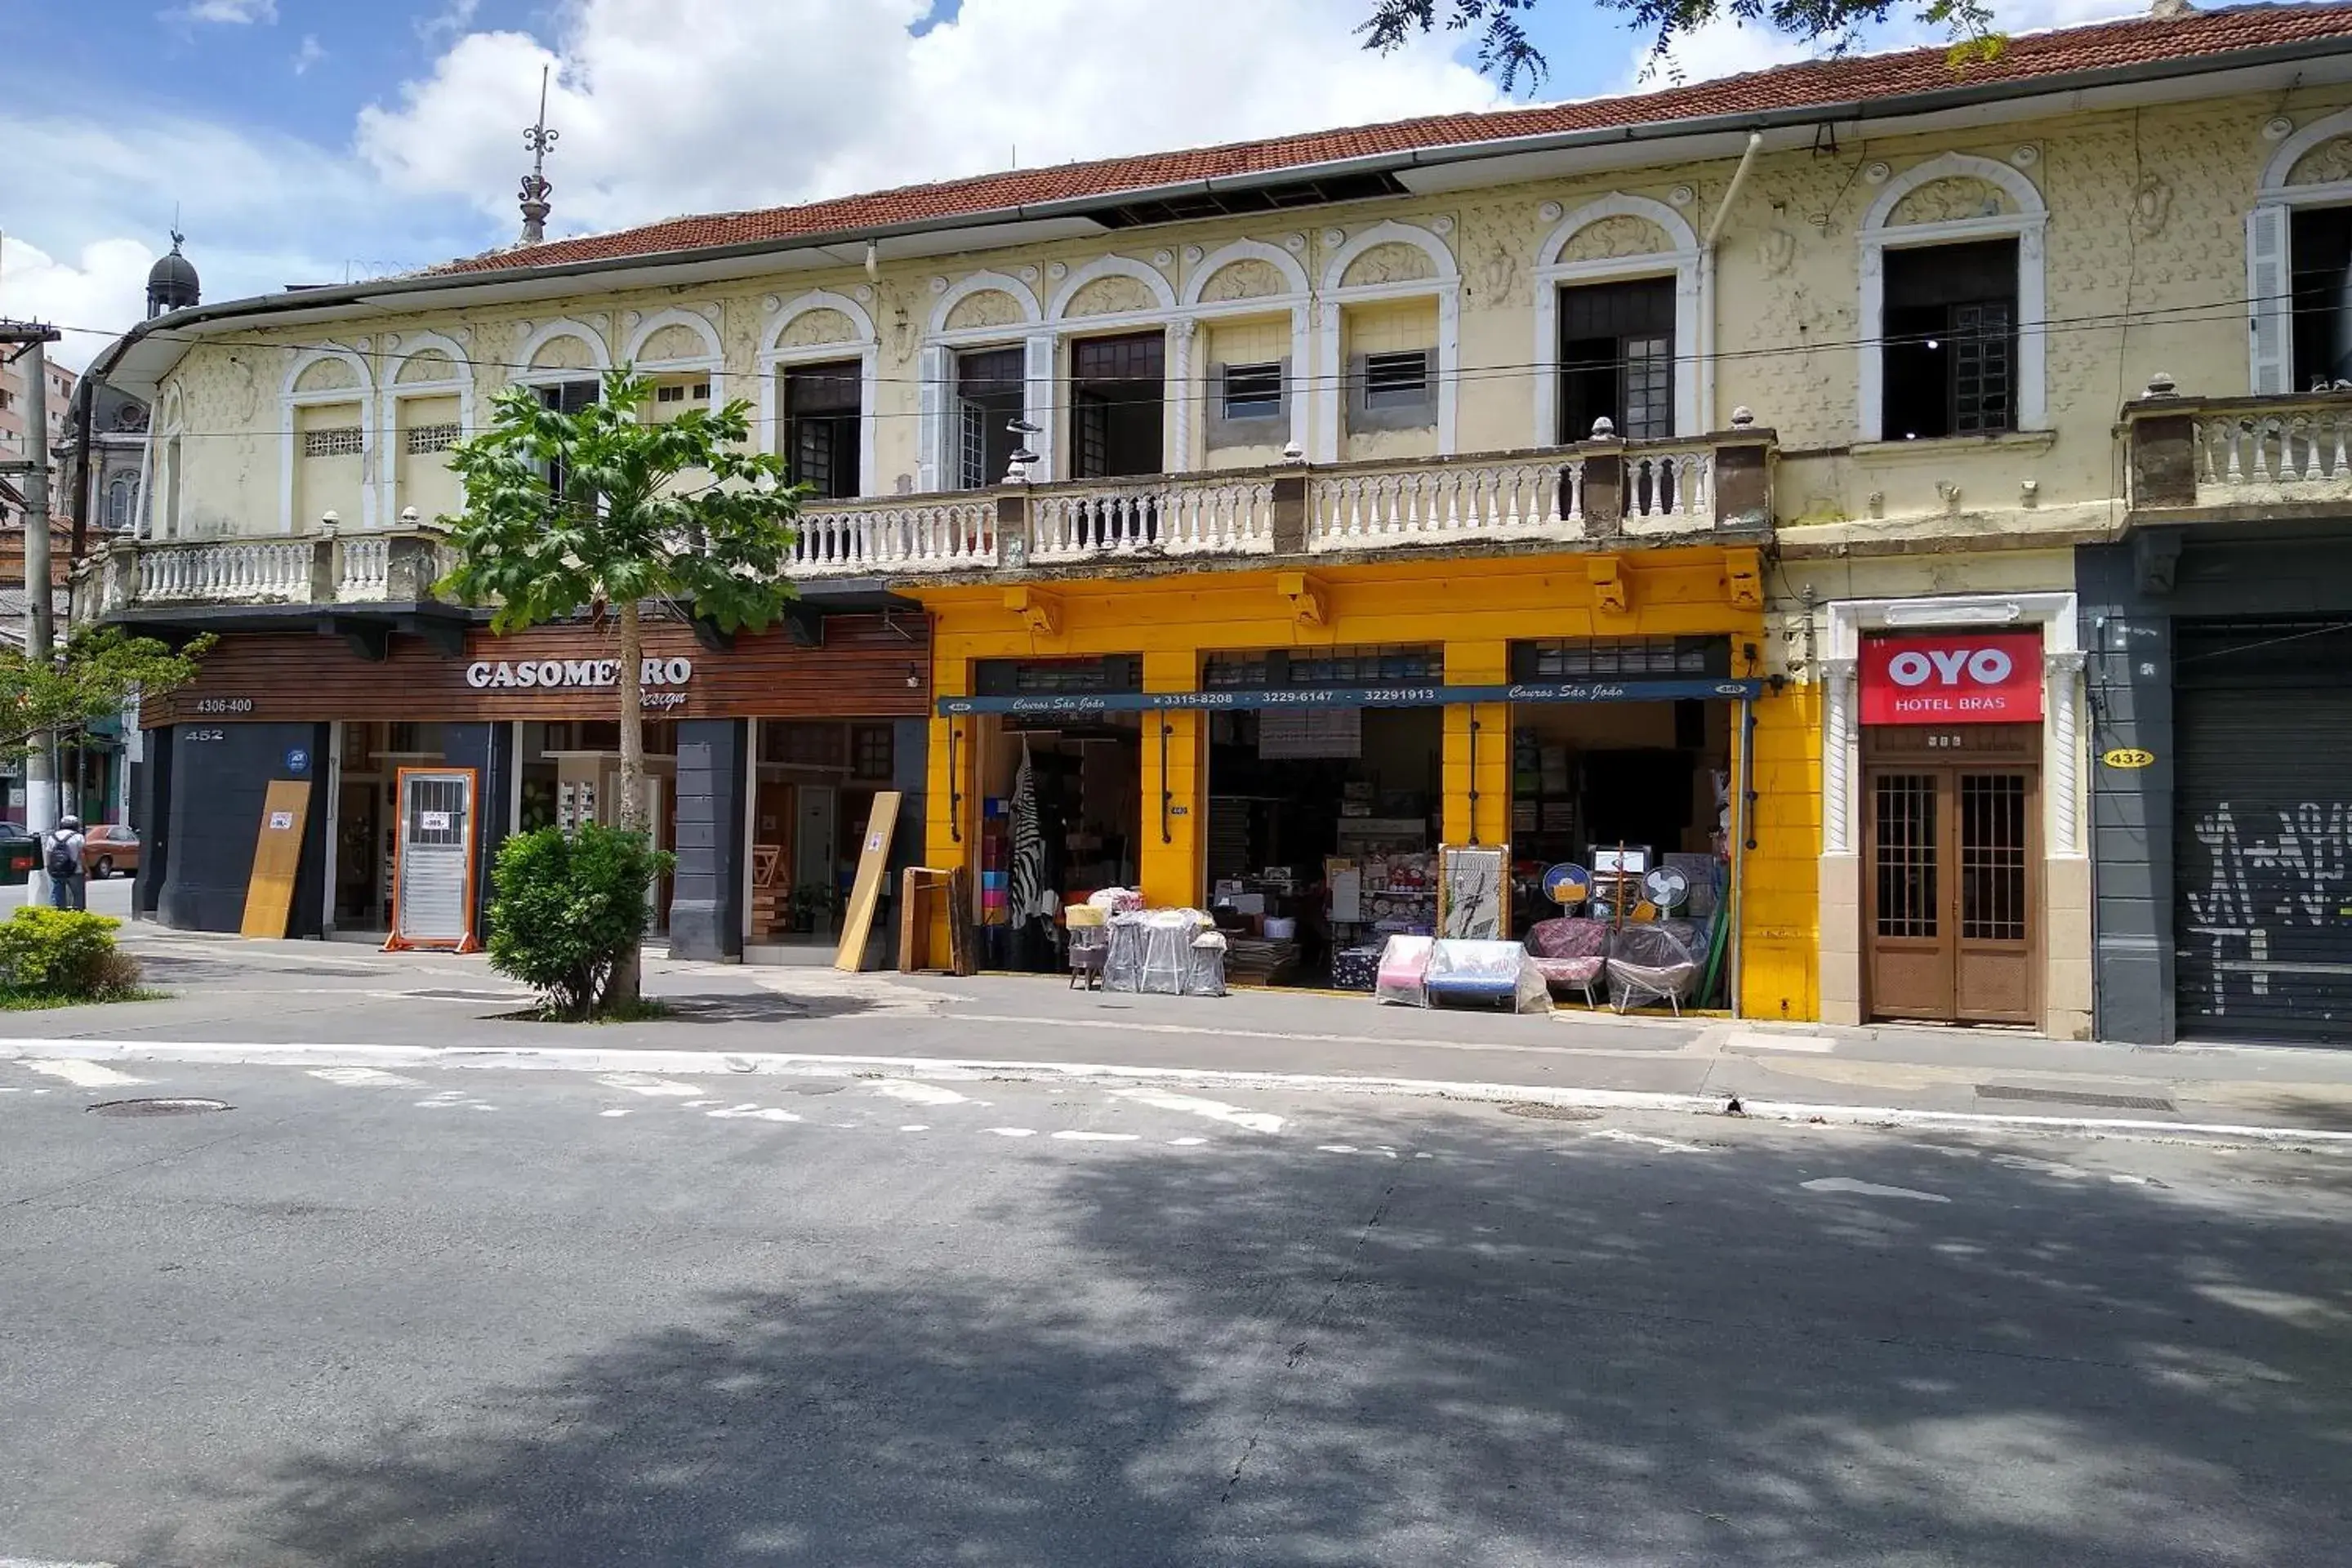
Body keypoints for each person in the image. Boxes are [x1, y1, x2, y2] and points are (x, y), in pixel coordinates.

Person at [43, 814, 87, 912]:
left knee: (57, 893)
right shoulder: (78, 837)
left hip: (57, 870)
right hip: (76, 871)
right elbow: (82, 855)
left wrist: (49, 868)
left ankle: (59, 914)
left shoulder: (52, 837)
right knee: (78, 895)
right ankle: (78, 915)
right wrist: (87, 870)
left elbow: (48, 854)